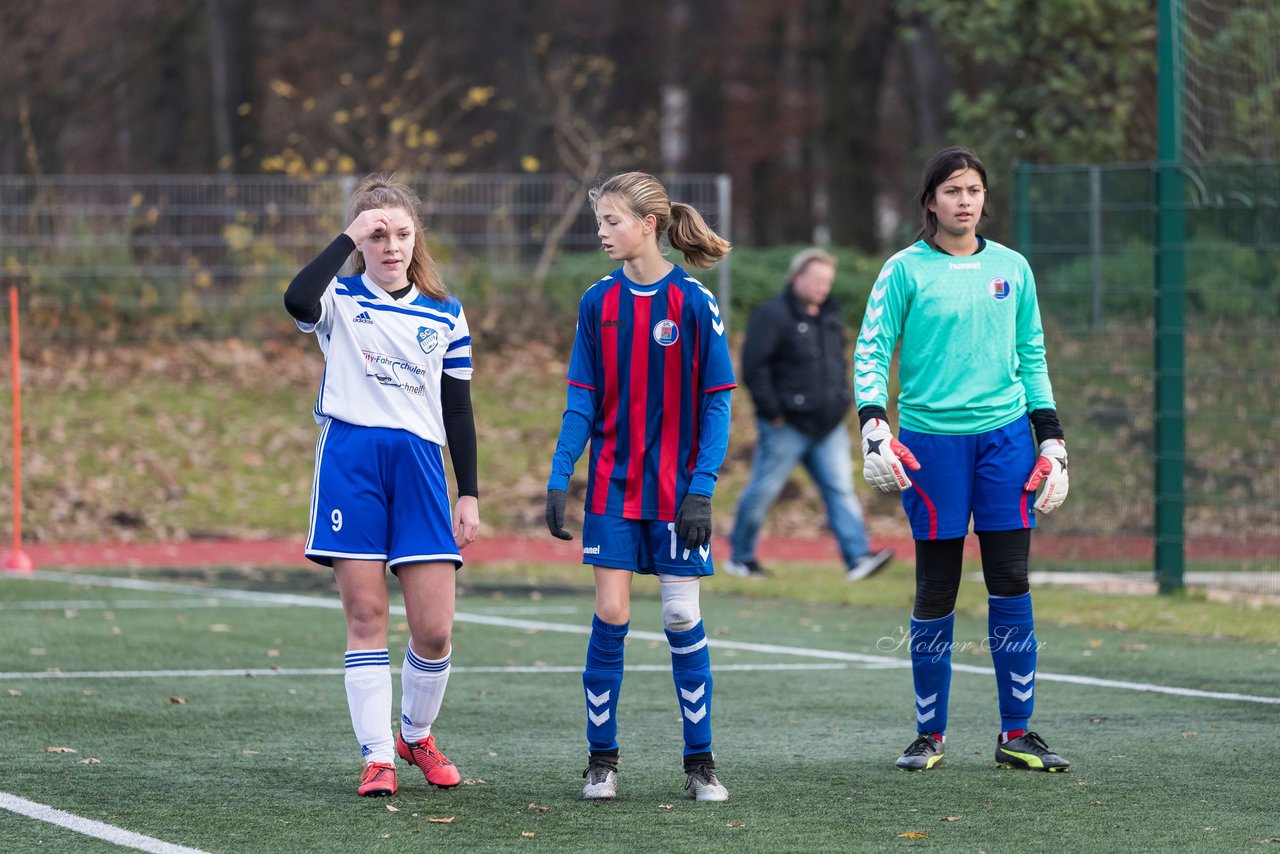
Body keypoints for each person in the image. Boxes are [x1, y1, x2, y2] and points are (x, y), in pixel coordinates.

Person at [853, 147, 1071, 773]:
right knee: (937, 585)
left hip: (1006, 440)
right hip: (929, 446)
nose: (965, 200)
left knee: (1011, 581)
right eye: (952, 190)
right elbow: (871, 352)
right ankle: (929, 736)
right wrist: (874, 426)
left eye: (974, 189)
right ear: (930, 202)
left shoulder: (1012, 267)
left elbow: (1032, 353)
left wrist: (1050, 438)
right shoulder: (903, 271)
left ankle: (1017, 734)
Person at [283, 174, 479, 797]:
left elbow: (459, 411)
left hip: (421, 467)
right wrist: (347, 234)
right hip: (352, 462)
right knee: (366, 614)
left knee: (434, 629)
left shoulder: (446, 312)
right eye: (376, 234)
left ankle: (414, 736)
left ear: (416, 237)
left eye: (401, 232)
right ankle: (377, 758)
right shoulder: (338, 300)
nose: (390, 244)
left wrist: (468, 491)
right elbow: (295, 298)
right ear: (359, 242)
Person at [543, 171, 735, 802]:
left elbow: (717, 405)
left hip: (679, 494)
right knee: (612, 612)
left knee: (682, 615)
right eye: (599, 222)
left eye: (611, 221)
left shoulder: (694, 303)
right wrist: (560, 470)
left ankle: (700, 763)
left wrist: (701, 487)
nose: (601, 232)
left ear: (649, 224)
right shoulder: (596, 303)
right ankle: (602, 761)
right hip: (612, 491)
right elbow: (581, 399)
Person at [725, 247, 894, 581]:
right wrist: (772, 412)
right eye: (816, 280)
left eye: (827, 281)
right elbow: (753, 367)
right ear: (797, 277)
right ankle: (741, 558)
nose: (822, 287)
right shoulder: (772, 315)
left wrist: (842, 399)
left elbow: (838, 362)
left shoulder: (829, 316)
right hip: (785, 426)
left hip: (827, 427)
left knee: (841, 491)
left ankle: (857, 558)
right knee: (764, 491)